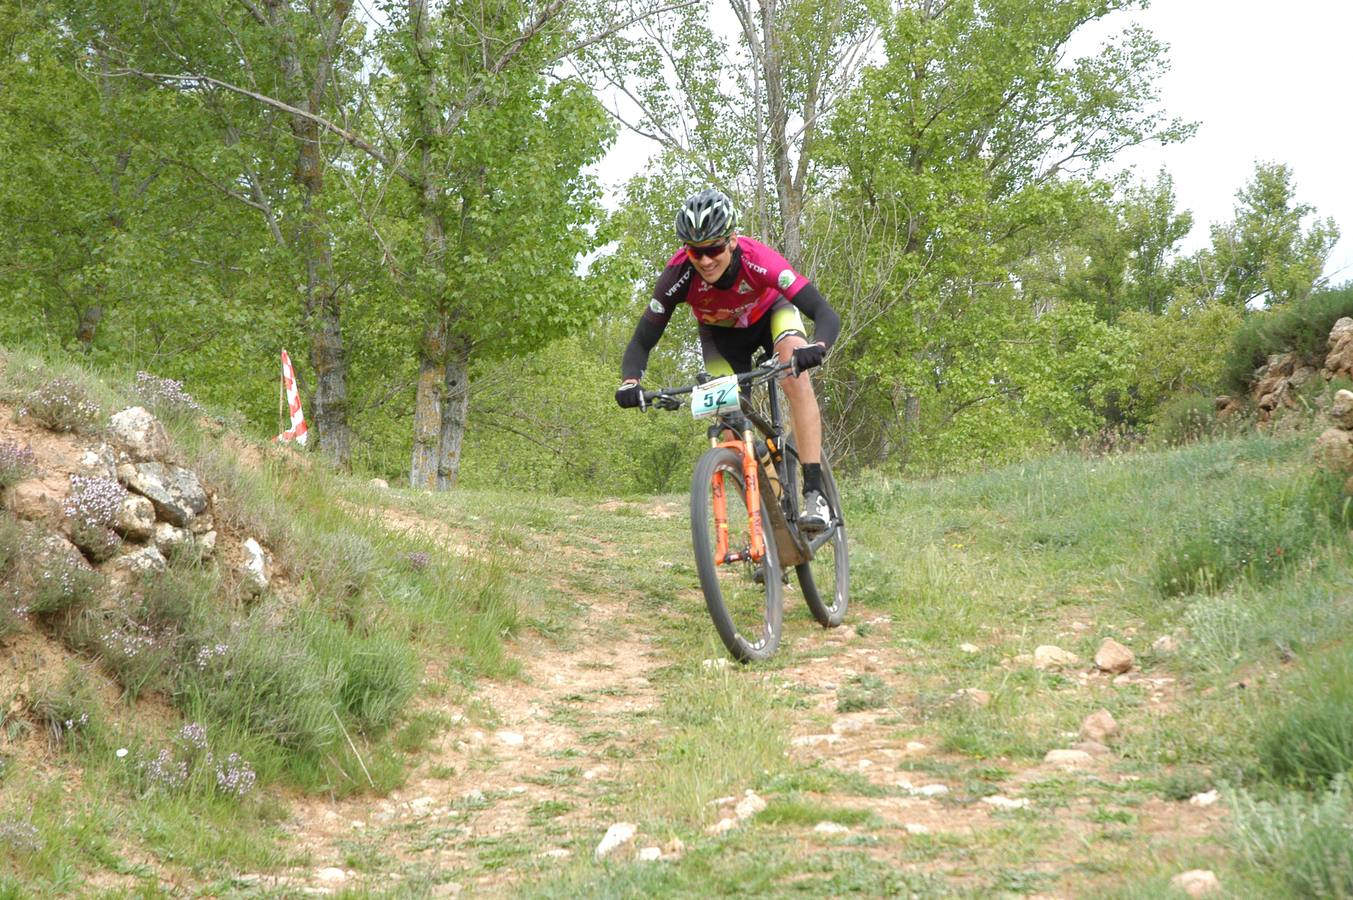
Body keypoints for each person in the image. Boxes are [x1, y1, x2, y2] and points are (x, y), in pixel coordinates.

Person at [616, 187, 841, 532]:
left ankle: (815, 492)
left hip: (772, 319)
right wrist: (631, 381)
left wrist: (819, 345)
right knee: (730, 424)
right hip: (721, 340)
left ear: (732, 240)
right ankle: (768, 508)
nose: (705, 260)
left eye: (713, 249)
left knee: (794, 375)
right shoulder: (678, 275)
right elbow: (643, 339)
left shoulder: (759, 259)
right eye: (695, 251)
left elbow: (823, 310)